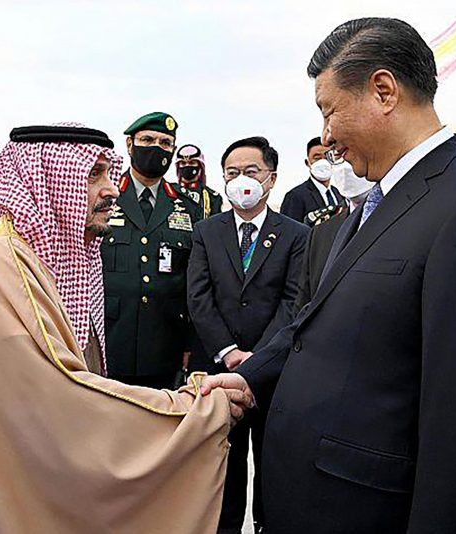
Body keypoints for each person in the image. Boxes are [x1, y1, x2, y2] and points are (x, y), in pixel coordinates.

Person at [202, 17, 456, 533]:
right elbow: (311, 324)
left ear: (383, 91)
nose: (326, 136)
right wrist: (247, 379)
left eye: (329, 110)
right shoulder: (372, 206)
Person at [0, 124, 239, 534]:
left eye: (108, 173)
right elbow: (58, 401)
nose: (110, 190)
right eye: (94, 175)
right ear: (47, 181)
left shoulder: (46, 257)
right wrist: (196, 411)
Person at [187, 136, 308, 534]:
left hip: (273, 373)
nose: (243, 181)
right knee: (225, 463)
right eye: (233, 173)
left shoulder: (295, 234)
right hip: (219, 370)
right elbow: (199, 296)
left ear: (271, 179)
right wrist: (228, 351)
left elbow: (293, 301)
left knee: (274, 463)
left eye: (251, 172)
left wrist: (258, 360)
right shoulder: (206, 231)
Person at [101, 112, 202, 388]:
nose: (157, 147)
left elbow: (195, 280)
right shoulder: (104, 196)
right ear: (129, 145)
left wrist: (190, 343)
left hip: (165, 342)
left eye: (166, 142)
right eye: (147, 139)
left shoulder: (187, 206)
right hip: (110, 339)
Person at [294, 158, 371, 313]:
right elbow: (303, 304)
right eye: (337, 155)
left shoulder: (409, 218)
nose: (345, 166)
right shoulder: (320, 232)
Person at [280, 136, 344, 225]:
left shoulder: (338, 193)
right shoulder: (295, 196)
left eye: (327, 157)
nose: (323, 162)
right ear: (307, 163)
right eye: (317, 158)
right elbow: (289, 231)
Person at [175, 143, 223, 219]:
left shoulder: (212, 198)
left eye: (192, 162)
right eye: (183, 163)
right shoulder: (168, 192)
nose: (187, 166)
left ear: (200, 166)